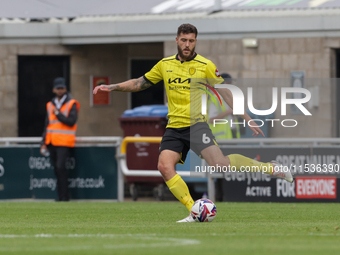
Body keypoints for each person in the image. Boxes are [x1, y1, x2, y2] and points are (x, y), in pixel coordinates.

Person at [93, 24, 293, 222]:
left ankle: (270, 168)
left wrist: (248, 118)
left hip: (197, 126)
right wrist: (112, 87)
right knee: (164, 166)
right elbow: (139, 82)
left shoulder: (205, 65)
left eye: (191, 41)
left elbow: (226, 94)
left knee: (220, 165)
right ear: (177, 40)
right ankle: (194, 210)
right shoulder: (165, 64)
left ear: (195, 41)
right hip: (174, 127)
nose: (187, 44)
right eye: (184, 40)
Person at [40, 77, 80, 202]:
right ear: (54, 90)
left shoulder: (72, 103)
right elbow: (47, 124)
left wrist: (58, 114)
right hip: (51, 141)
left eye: (62, 88)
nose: (60, 91)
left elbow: (71, 121)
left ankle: (65, 197)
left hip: (64, 141)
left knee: (61, 168)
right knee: (57, 170)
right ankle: (60, 196)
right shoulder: (50, 104)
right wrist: (43, 143)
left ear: (65, 89)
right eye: (58, 88)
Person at [208, 73, 240, 140]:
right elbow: (211, 120)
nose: (231, 85)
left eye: (230, 83)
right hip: (221, 137)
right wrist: (228, 111)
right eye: (228, 83)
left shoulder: (232, 98)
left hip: (233, 134)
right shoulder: (215, 99)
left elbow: (236, 117)